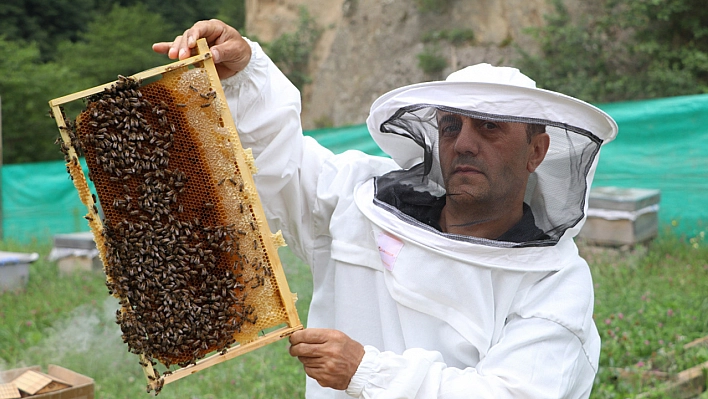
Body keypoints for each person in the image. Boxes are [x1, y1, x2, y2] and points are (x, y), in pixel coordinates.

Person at [154, 19, 618, 399]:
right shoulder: (361, 200)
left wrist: (366, 372)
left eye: (490, 127)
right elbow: (280, 164)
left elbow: (514, 394)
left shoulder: (554, 285)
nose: (465, 144)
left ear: (537, 151)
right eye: (451, 126)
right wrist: (244, 74)